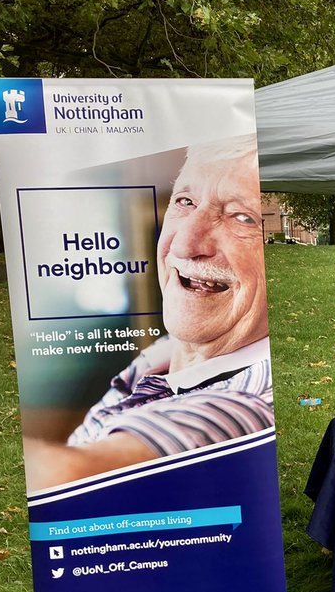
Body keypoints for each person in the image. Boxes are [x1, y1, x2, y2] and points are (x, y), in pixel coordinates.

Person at [23, 135, 274, 490]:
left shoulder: (243, 408)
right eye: (185, 201)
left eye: (241, 217)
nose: (185, 243)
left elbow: (64, 479)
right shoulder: (166, 356)